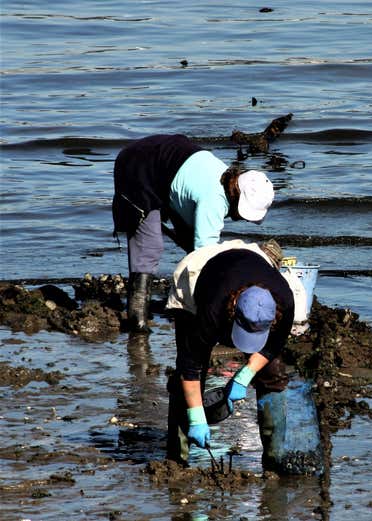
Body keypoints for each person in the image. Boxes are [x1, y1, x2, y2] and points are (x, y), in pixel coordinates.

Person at [112, 134, 275, 332]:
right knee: (150, 246)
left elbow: (197, 239)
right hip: (139, 166)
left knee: (191, 239)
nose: (241, 219)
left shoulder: (227, 179)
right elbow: (204, 260)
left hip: (166, 160)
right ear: (237, 198)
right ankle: (136, 318)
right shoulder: (213, 201)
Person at [165, 247, 295, 468]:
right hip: (198, 275)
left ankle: (274, 459)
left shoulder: (285, 302)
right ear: (234, 310)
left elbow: (272, 347)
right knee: (187, 374)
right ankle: (176, 460)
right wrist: (197, 417)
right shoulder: (213, 308)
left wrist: (245, 375)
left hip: (248, 264)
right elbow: (190, 366)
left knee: (273, 373)